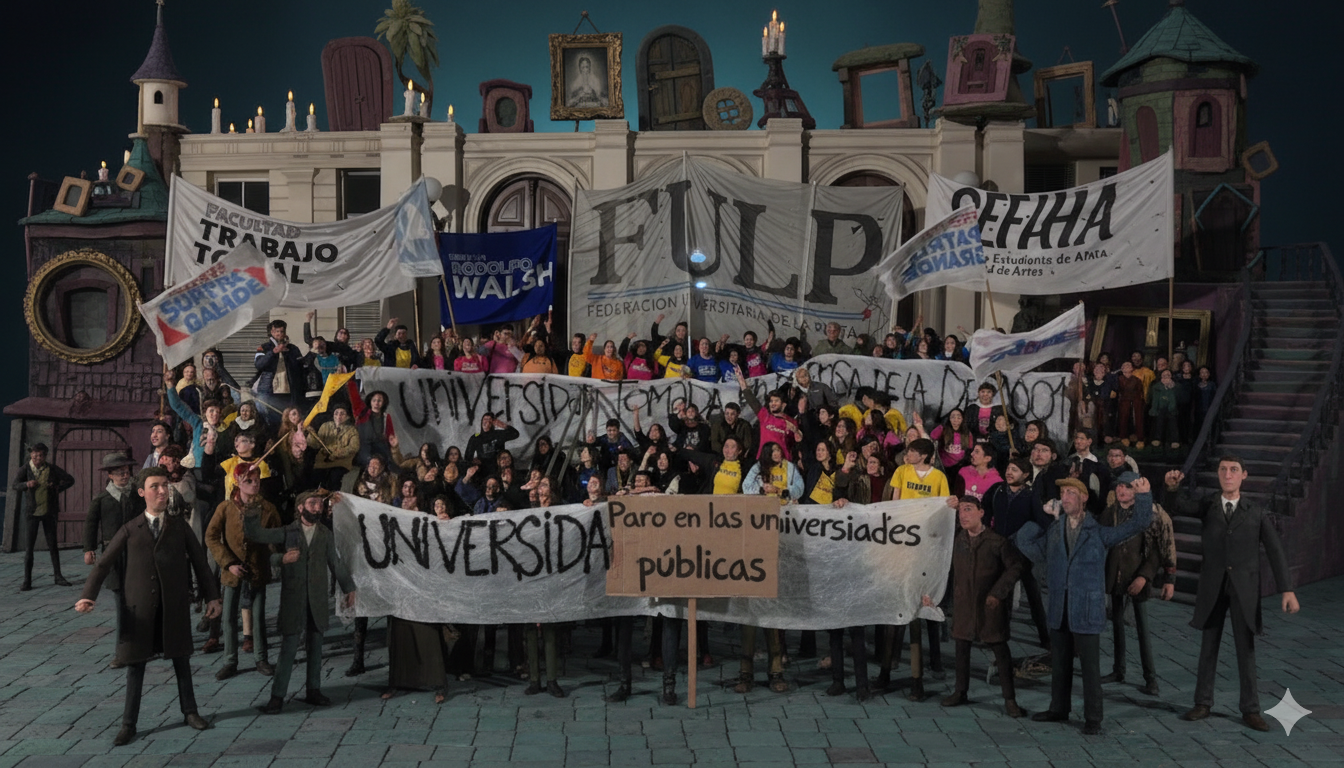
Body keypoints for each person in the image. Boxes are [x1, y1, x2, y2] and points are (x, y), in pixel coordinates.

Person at [75, 467, 221, 747]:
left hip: (173, 606)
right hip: (140, 608)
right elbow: (104, 562)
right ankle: (128, 724)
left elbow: (200, 562)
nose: (162, 491)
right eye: (155, 486)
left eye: (165, 486)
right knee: (135, 666)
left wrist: (212, 597)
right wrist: (88, 595)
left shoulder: (179, 526)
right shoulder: (131, 529)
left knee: (182, 660)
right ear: (142, 492)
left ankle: (190, 712)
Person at [1164, 460, 1298, 731]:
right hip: (1213, 586)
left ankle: (1250, 709)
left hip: (1243, 589)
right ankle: (1202, 702)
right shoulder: (1208, 505)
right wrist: (1171, 488)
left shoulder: (1256, 512)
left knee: (1245, 649)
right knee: (1208, 646)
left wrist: (1287, 590)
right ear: (1218, 474)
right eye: (1223, 469)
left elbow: (1275, 551)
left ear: (1244, 475)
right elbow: (1178, 506)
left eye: (1234, 470)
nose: (1228, 474)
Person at [1015, 476, 1153, 735]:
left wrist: (1144, 497)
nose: (1065, 497)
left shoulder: (1098, 531)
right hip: (1059, 606)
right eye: (1062, 493)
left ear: (1083, 497)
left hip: (1086, 607)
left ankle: (1093, 718)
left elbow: (1139, 523)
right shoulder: (1055, 529)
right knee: (1060, 663)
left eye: (1070, 492)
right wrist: (1043, 518)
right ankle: (1058, 708)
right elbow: (1027, 546)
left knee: (1090, 668)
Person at [248, 491, 357, 714]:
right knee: (288, 649)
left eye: (319, 504)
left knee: (316, 646)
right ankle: (277, 696)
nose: (317, 507)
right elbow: (256, 535)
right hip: (294, 598)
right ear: (300, 507)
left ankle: (314, 690)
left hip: (316, 598)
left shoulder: (325, 533)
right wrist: (281, 559)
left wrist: (349, 588)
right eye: (312, 503)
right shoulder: (289, 531)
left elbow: (335, 562)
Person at [935, 495, 1027, 717]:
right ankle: (960, 691)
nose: (964, 515)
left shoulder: (997, 542)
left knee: (1000, 650)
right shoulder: (957, 539)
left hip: (990, 606)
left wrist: (998, 592)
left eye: (968, 510)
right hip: (964, 603)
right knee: (961, 648)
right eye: (961, 511)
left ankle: (1009, 699)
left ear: (981, 512)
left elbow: (1016, 567)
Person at [1098, 472, 1176, 696]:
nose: (1122, 491)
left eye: (1128, 487)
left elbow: (1156, 551)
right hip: (1114, 576)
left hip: (1137, 576)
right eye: (1120, 487)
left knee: (1142, 629)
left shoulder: (1149, 514)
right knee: (1117, 626)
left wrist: (1144, 576)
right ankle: (1118, 669)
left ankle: (1150, 677)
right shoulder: (1110, 512)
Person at [206, 463, 281, 681]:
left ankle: (261, 658)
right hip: (232, 570)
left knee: (258, 615)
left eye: (257, 480)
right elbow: (211, 536)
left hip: (257, 568)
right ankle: (230, 660)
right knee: (228, 616)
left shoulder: (267, 509)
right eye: (249, 481)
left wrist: (276, 555)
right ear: (238, 482)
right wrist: (228, 563)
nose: (255, 484)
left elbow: (277, 537)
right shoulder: (226, 508)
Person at [983, 458, 1051, 649]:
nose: (1009, 472)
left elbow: (1041, 521)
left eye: (1015, 469)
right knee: (1002, 593)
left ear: (1026, 475)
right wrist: (988, 530)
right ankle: (1000, 634)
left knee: (1034, 596)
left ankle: (1045, 637)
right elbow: (986, 510)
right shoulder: (998, 490)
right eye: (1008, 468)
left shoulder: (1031, 496)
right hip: (1001, 551)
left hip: (1022, 554)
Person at [13, 442, 74, 590]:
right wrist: (27, 484)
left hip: (49, 512)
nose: (37, 458)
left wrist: (57, 488)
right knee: (29, 548)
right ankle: (27, 581)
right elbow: (15, 485)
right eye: (34, 456)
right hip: (32, 513)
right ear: (31, 455)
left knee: (53, 545)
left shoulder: (51, 469)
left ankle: (58, 576)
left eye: (40, 456)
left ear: (45, 456)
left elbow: (70, 480)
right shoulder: (25, 469)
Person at [254, 319, 306, 424]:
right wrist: (273, 352)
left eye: (282, 331)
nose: (279, 334)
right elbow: (259, 364)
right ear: (271, 332)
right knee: (268, 420)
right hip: (269, 390)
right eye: (276, 331)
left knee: (288, 421)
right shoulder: (264, 347)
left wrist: (288, 353)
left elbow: (301, 367)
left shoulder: (293, 349)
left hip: (289, 392)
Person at [310, 406, 359, 491]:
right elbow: (316, 445)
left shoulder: (352, 430)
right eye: (336, 413)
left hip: (341, 462)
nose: (338, 416)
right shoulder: (325, 426)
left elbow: (354, 447)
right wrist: (312, 435)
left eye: (342, 414)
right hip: (323, 461)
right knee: (315, 479)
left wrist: (336, 453)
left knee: (334, 479)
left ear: (347, 416)